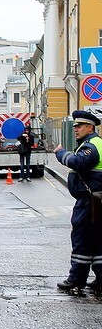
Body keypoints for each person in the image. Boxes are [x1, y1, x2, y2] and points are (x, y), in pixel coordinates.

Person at [54, 110, 102, 292]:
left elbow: (79, 163)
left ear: (90, 127)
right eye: (74, 126)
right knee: (98, 241)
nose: (75, 129)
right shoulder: (96, 143)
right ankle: (100, 278)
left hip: (89, 201)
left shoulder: (92, 145)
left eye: (79, 126)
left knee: (82, 238)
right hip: (97, 200)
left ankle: (76, 279)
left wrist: (60, 153)